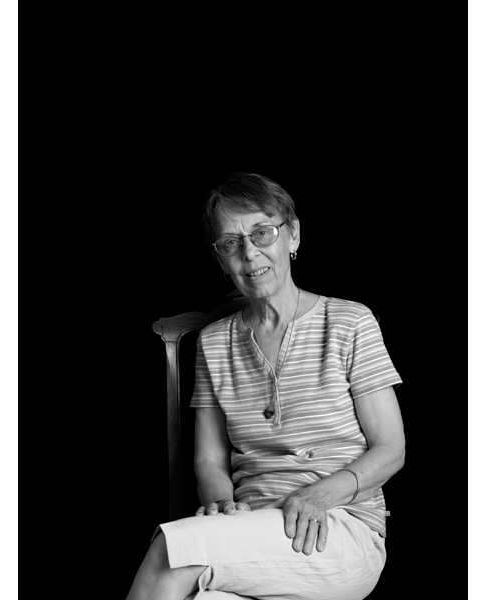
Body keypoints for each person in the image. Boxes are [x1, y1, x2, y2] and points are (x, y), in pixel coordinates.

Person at [127, 173, 406, 600]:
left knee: (173, 551)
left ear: (292, 235)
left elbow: (391, 449)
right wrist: (222, 503)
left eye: (262, 232)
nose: (249, 253)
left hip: (337, 528)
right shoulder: (215, 341)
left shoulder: (350, 322)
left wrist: (318, 495)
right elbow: (209, 460)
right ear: (220, 260)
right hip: (249, 529)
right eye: (230, 243)